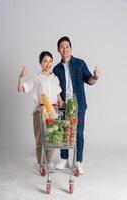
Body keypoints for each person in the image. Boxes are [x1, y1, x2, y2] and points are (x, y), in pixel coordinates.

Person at [53, 36, 101, 174]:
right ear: (58, 50)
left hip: (78, 104)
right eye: (62, 47)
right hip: (63, 104)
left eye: (67, 46)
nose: (65, 49)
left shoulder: (80, 64)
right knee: (63, 132)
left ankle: (78, 161)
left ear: (71, 48)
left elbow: (89, 81)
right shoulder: (56, 69)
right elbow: (55, 88)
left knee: (78, 133)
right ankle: (64, 158)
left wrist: (96, 76)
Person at [17, 51, 63, 171]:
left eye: (50, 61)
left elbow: (58, 96)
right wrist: (21, 77)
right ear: (41, 63)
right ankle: (39, 164)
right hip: (40, 111)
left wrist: (64, 103)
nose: (48, 64)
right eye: (45, 61)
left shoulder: (55, 78)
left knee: (53, 138)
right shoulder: (36, 78)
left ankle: (47, 162)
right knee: (40, 139)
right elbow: (21, 89)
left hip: (53, 112)